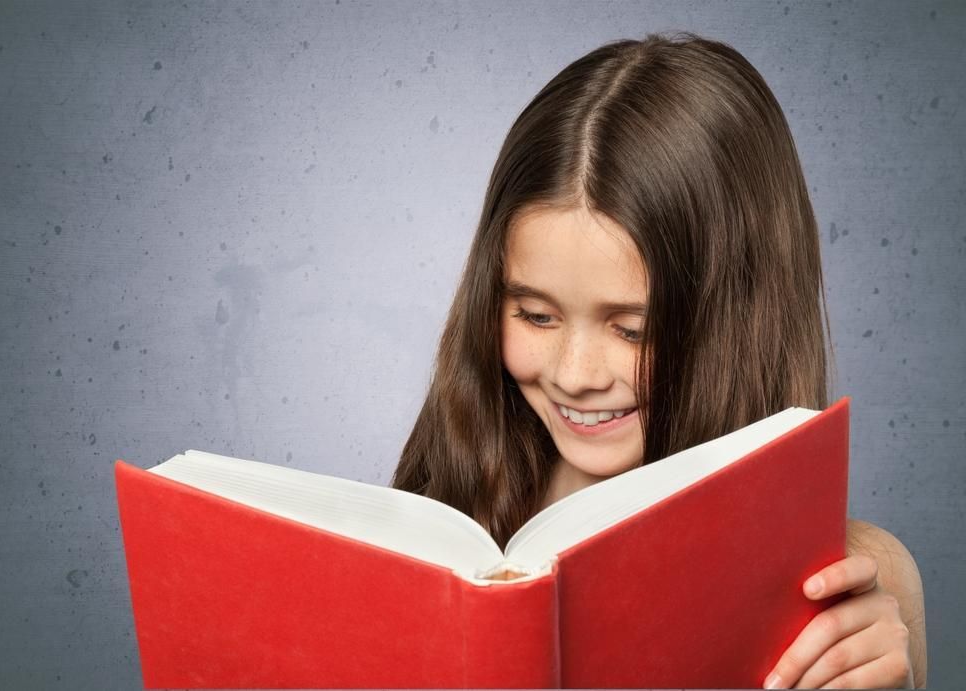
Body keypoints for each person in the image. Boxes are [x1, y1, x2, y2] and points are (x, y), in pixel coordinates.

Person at [391, 32, 926, 688]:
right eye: (534, 315)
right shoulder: (432, 532)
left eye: (634, 330)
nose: (575, 373)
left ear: (739, 322)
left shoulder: (861, 584)